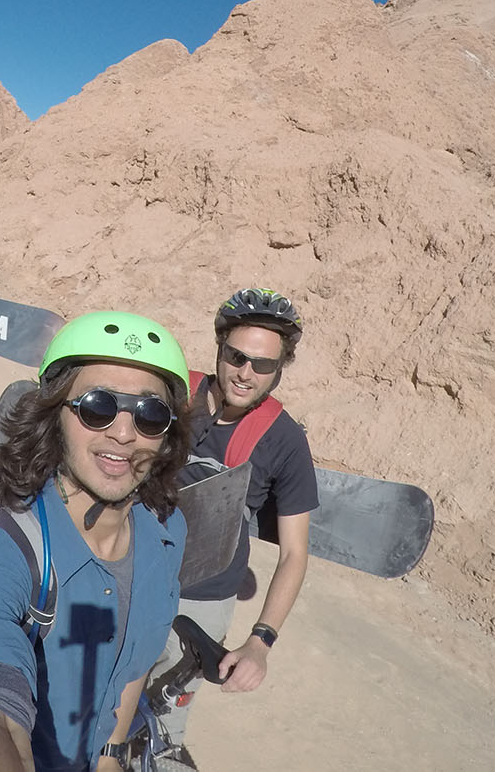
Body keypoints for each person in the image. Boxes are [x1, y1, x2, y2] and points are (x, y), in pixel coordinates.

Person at [0, 311, 193, 772]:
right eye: (97, 406)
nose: (124, 433)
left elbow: (133, 663)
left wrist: (110, 755)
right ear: (54, 415)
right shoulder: (9, 544)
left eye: (150, 414)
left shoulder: (164, 531)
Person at [147, 288, 318, 770]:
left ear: (280, 368)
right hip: (127, 565)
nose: (246, 373)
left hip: (202, 597)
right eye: (236, 356)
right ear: (219, 347)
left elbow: (294, 553)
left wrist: (260, 642)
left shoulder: (284, 440)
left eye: (263, 364)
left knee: (162, 721)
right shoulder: (173, 392)